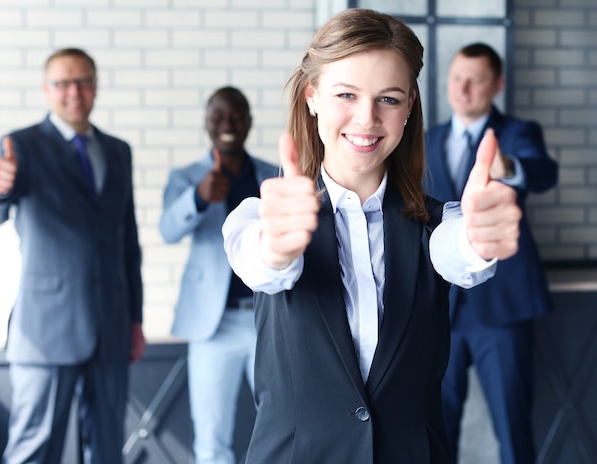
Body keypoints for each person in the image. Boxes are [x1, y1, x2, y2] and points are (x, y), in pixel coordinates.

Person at [222, 9, 523, 464]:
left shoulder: (440, 224)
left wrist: (478, 240)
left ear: (409, 107)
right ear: (312, 96)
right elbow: (260, 261)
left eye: (389, 98)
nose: (366, 118)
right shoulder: (262, 216)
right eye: (346, 94)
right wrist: (277, 247)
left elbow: (456, 251)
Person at [0, 47, 145, 464]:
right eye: (63, 83)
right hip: (46, 332)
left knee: (106, 450)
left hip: (110, 327)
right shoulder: (22, 146)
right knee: (35, 448)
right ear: (46, 90)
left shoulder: (117, 150)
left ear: (95, 86)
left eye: (84, 81)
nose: (75, 91)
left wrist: (135, 319)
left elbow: (128, 243)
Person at [425, 42, 558, 464]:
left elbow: (542, 172)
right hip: (439, 309)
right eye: (456, 78)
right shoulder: (427, 140)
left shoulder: (518, 133)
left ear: (497, 85)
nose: (463, 89)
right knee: (436, 427)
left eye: (476, 80)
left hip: (502, 308)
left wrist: (507, 166)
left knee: (512, 426)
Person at [159, 86, 278, 464]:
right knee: (211, 437)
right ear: (207, 124)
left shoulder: (271, 175)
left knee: (283, 425)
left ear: (248, 122)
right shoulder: (187, 178)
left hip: (268, 321)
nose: (227, 124)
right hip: (214, 326)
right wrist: (197, 197)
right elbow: (167, 230)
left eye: (236, 115)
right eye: (218, 116)